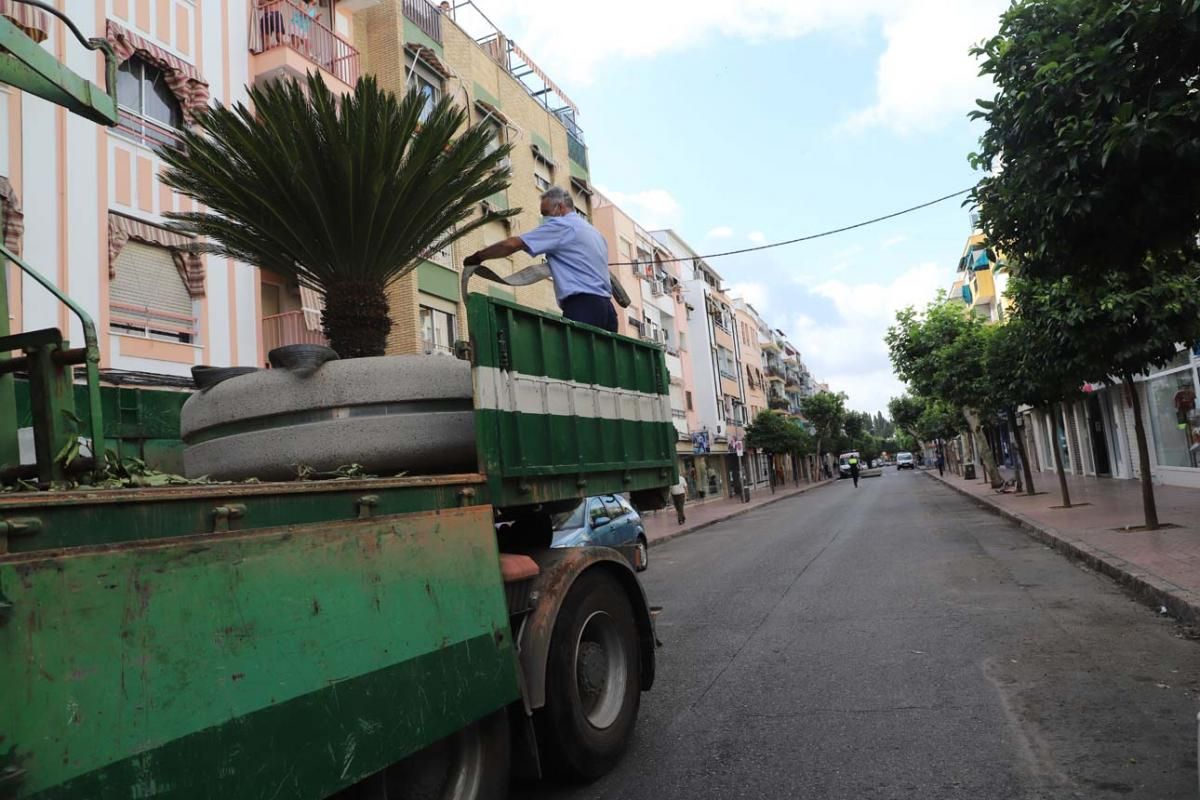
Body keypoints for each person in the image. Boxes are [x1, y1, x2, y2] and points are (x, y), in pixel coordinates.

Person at [463, 186, 617, 332]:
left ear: (561, 207)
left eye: (546, 213)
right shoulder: (594, 233)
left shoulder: (562, 225)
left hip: (583, 307)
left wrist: (478, 256)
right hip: (608, 312)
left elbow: (512, 244)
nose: (545, 219)